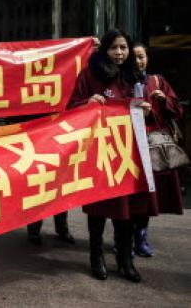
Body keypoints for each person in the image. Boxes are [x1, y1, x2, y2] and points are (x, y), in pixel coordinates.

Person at [69, 29, 156, 283]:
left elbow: (147, 115)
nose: (119, 53)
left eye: (124, 48)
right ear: (104, 50)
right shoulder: (90, 75)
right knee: (98, 210)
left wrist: (147, 110)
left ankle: (125, 261)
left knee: (126, 211)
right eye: (114, 48)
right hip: (99, 152)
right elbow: (72, 106)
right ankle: (96, 258)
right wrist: (87, 103)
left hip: (127, 152)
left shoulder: (135, 77)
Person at [128, 43, 185, 257]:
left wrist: (164, 100)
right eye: (134, 58)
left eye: (141, 57)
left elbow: (177, 110)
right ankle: (123, 239)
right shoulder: (121, 82)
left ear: (147, 58)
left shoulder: (157, 81)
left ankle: (141, 237)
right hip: (129, 145)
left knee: (150, 195)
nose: (138, 61)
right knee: (130, 195)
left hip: (153, 145)